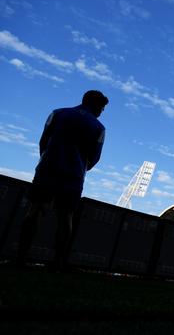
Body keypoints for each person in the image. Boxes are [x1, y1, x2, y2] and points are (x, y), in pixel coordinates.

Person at [17, 90, 108, 270]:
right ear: (95, 105)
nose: (102, 112)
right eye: (102, 108)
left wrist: (47, 158)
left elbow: (44, 140)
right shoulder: (99, 128)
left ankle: (21, 257)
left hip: (47, 169)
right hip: (73, 176)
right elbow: (95, 157)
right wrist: (80, 166)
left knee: (35, 210)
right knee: (66, 217)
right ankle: (58, 261)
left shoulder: (58, 113)